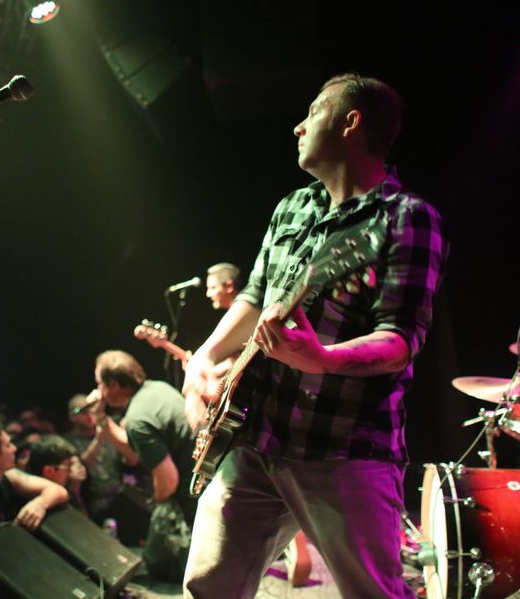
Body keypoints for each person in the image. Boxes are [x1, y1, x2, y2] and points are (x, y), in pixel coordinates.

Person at [182, 73, 447, 598]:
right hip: (255, 438)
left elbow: (401, 339)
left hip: (344, 449)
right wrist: (205, 358)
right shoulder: (293, 207)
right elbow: (255, 296)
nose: (298, 127)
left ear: (350, 122)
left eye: (313, 112)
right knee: (208, 585)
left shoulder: (408, 218)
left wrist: (322, 358)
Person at [94, 350, 196, 582]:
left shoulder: (137, 418)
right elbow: (135, 450)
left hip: (192, 494)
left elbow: (168, 482)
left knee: (158, 563)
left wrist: (157, 500)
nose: (99, 390)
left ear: (114, 385)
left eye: (100, 384)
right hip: (205, 478)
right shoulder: (157, 389)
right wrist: (101, 418)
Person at [62, 393, 137, 522]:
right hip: (92, 504)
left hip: (120, 497)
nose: (89, 414)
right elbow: (80, 467)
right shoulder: (67, 441)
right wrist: (99, 439)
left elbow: (132, 460)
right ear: (72, 416)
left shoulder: (111, 430)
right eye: (83, 411)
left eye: (92, 408)